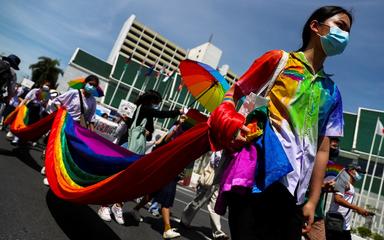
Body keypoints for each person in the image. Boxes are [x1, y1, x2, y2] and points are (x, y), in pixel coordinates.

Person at [207, 6, 352, 240]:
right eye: (341, 26)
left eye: (348, 31)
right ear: (315, 26)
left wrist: (312, 201)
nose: (345, 36)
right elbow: (235, 92)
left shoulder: (333, 93)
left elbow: (323, 149)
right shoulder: (279, 61)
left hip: (295, 194)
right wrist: (231, 122)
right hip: (256, 177)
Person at [98, 90, 183, 225]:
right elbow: (160, 114)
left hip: (137, 148)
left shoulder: (146, 112)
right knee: (119, 177)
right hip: (127, 145)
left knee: (129, 180)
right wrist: (177, 111)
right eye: (156, 103)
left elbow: (149, 133)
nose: (156, 106)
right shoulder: (142, 108)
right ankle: (105, 206)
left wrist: (147, 132)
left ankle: (118, 205)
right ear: (150, 101)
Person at [41, 75, 100, 185]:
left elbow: (91, 118)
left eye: (94, 86)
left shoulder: (92, 101)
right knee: (58, 147)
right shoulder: (74, 93)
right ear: (85, 83)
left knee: (66, 151)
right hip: (65, 123)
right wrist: (62, 113)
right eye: (90, 84)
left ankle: (55, 173)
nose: (92, 86)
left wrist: (92, 134)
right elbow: (57, 101)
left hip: (77, 128)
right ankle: (49, 170)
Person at [181, 151, 230, 240]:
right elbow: (213, 163)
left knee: (214, 207)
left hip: (218, 183)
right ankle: (184, 220)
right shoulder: (219, 151)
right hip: (209, 182)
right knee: (198, 202)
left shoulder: (229, 153)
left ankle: (218, 233)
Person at [304, 137, 340, 240]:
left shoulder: (329, 164)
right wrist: (323, 186)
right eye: (333, 142)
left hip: (317, 211)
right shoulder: (309, 159)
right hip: (302, 206)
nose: (335, 146)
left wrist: (332, 187)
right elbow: (305, 184)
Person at [326, 164, 370, 240]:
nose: (359, 174)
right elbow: (338, 199)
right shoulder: (342, 181)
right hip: (335, 224)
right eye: (358, 171)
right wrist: (357, 207)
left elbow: (344, 205)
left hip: (345, 226)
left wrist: (358, 210)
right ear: (350, 171)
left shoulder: (351, 186)